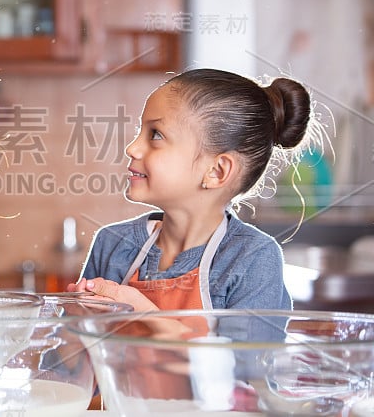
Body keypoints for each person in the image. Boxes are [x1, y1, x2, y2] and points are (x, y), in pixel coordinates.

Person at [70, 68, 320, 313]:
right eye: (140, 132)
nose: (132, 148)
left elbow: (247, 355)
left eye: (155, 135)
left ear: (217, 171)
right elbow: (70, 353)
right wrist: (75, 328)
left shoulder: (252, 258)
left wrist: (145, 313)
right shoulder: (112, 244)